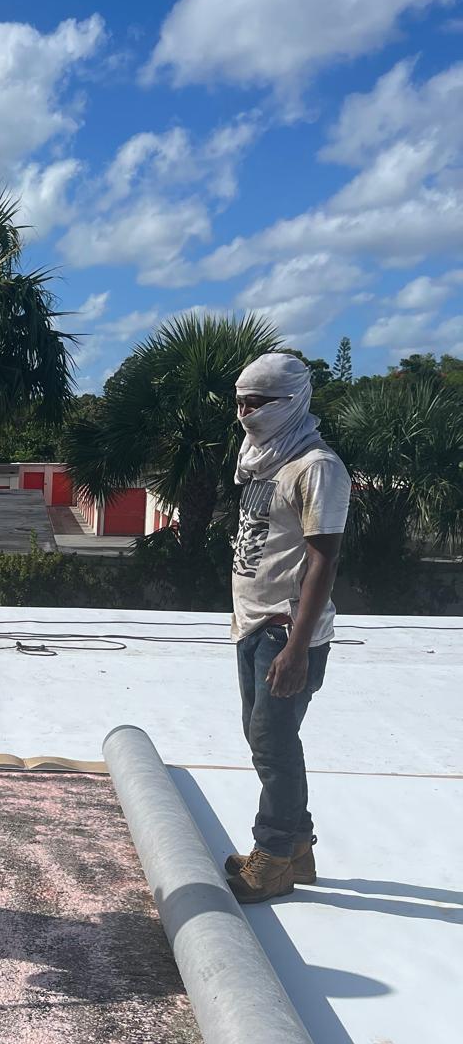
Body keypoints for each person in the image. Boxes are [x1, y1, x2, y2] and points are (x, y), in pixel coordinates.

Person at [224, 352, 351, 904]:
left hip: (286, 630)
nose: (246, 414)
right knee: (266, 739)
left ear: (292, 402)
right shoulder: (263, 459)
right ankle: (296, 849)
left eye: (258, 403)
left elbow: (323, 558)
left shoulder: (315, 466)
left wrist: (297, 646)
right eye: (241, 403)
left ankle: (273, 857)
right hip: (254, 624)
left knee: (273, 744)